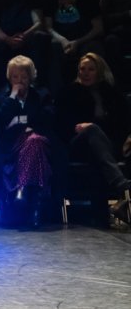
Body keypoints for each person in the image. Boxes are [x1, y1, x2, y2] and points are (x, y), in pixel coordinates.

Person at [55, 53, 131, 225]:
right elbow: (61, 126)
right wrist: (87, 127)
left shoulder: (112, 94)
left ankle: (121, 204)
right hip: (77, 145)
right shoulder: (68, 93)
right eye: (82, 69)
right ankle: (123, 187)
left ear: (100, 72)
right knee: (92, 131)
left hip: (107, 148)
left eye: (91, 69)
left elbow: (122, 124)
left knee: (99, 153)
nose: (86, 73)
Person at [0, 56, 54, 228]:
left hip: (38, 142)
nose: (19, 81)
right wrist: (12, 98)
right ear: (9, 78)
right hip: (10, 146)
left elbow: (46, 119)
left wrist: (18, 122)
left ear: (31, 78)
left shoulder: (42, 96)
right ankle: (34, 209)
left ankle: (22, 189)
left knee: (34, 141)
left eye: (24, 77)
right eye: (15, 77)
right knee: (34, 142)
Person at [43, 0, 103, 88]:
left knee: (93, 50)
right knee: (52, 46)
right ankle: (57, 99)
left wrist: (77, 42)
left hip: (83, 40)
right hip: (60, 41)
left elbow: (98, 27)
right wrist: (63, 40)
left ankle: (93, 95)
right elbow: (48, 26)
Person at [100, 0, 131, 87]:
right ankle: (119, 87)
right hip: (119, 35)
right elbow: (103, 18)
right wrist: (127, 15)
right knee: (111, 41)